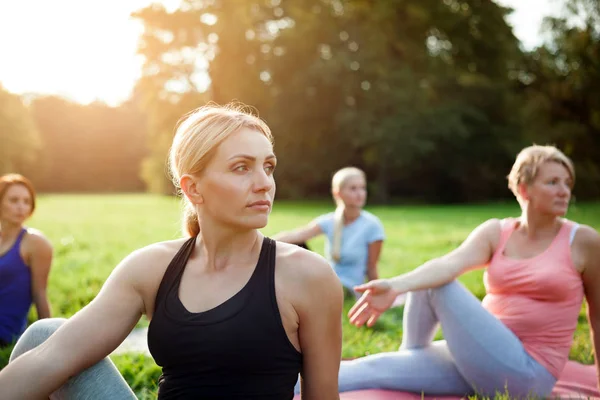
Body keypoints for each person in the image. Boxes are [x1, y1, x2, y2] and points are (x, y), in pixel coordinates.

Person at [0, 104, 344, 400]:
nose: (264, 182)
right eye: (242, 167)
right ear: (193, 188)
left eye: (267, 166)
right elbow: (52, 358)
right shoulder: (151, 268)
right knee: (43, 337)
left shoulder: (307, 275)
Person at [338, 145, 600, 398]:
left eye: (567, 183)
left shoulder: (583, 241)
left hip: (528, 375)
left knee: (437, 284)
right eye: (553, 182)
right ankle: (298, 381)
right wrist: (395, 286)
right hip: (481, 356)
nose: (564, 191)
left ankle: (411, 358)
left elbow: (598, 316)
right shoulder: (497, 232)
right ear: (524, 189)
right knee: (374, 367)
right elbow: (449, 263)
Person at [274, 167, 385, 298]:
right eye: (353, 188)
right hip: (328, 280)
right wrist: (263, 244)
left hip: (349, 289)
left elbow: (372, 267)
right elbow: (297, 235)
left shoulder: (372, 225)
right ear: (338, 193)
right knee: (296, 244)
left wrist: (377, 296)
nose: (360, 193)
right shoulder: (330, 221)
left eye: (362, 188)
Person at [0, 173, 53, 347]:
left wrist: (50, 342)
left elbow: (40, 294)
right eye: (14, 200)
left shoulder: (36, 243)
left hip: (5, 330)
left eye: (26, 201)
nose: (21, 207)